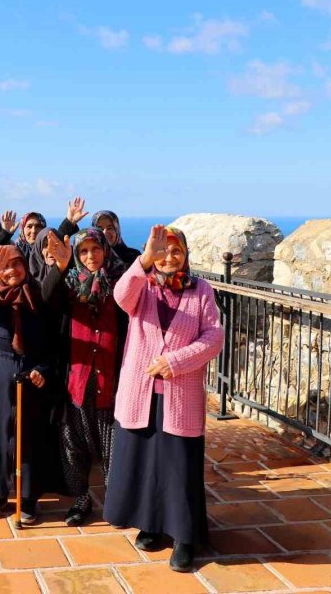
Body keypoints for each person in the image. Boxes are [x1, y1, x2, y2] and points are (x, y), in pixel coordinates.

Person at [102, 225, 223, 572]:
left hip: (180, 394)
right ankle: (150, 524)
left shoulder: (201, 290)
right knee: (144, 462)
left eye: (176, 251)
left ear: (185, 255)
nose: (169, 258)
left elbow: (214, 337)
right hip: (139, 392)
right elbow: (120, 296)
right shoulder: (142, 286)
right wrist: (144, 260)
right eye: (162, 251)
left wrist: (175, 362)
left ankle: (184, 537)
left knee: (178, 466)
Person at [0, 245, 58, 524]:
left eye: (16, 264)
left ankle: (28, 496)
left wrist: (42, 370)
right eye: (5, 266)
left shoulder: (39, 296)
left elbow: (53, 344)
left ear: (25, 266)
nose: (11, 270)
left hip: (30, 370)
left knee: (28, 433)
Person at [42, 228, 126, 526]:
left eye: (96, 249)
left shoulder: (121, 284)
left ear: (106, 250)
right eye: (84, 251)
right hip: (76, 379)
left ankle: (116, 503)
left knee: (112, 444)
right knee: (72, 442)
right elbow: (45, 299)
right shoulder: (69, 285)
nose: (91, 256)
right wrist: (60, 266)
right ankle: (80, 499)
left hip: (111, 379)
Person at [15, 198, 89, 264]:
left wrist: (70, 221)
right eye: (29, 226)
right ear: (22, 229)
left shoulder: (51, 252)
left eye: (38, 226)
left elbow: (58, 238)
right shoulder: (16, 251)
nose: (33, 231)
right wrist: (7, 234)